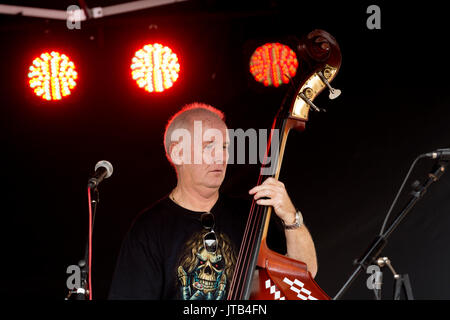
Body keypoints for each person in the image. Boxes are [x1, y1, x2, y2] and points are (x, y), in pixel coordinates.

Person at [108, 102, 318, 300]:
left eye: (225, 147)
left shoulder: (251, 215)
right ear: (177, 153)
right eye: (209, 146)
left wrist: (290, 216)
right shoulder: (149, 230)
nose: (220, 156)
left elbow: (303, 275)